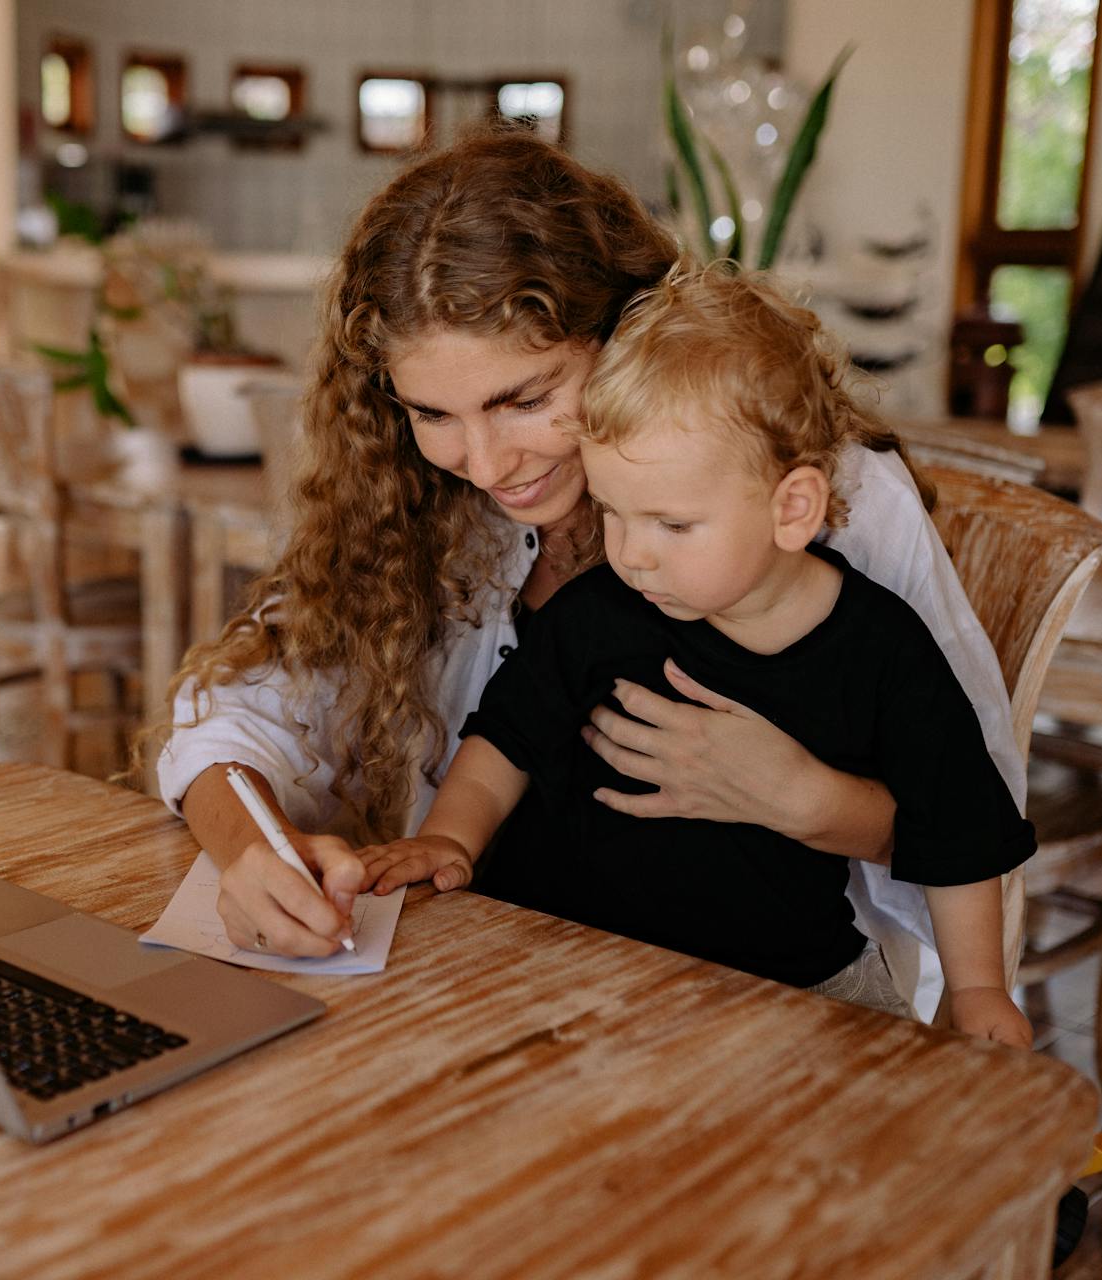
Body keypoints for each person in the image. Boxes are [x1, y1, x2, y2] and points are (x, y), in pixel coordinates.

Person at [154, 129, 1023, 1019]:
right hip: (517, 979)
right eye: (433, 413)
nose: (488, 464)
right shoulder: (414, 495)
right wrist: (253, 852)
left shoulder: (828, 498)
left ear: (628, 333)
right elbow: (233, 716)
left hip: (770, 998)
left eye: (526, 399)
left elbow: (972, 811)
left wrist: (807, 799)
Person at [354, 264, 1035, 1042]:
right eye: (613, 512)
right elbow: (503, 740)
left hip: (788, 975)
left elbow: (960, 829)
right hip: (573, 958)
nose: (633, 555)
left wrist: (980, 987)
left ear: (793, 508)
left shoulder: (885, 652)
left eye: (672, 526)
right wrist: (448, 839)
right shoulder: (598, 613)